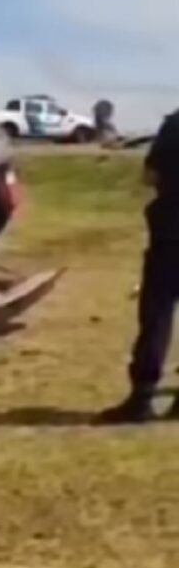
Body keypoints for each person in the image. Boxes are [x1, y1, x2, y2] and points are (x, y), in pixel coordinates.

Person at [97, 109, 179, 423]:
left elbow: (150, 176)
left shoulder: (175, 125)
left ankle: (142, 397)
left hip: (172, 234)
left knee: (156, 317)